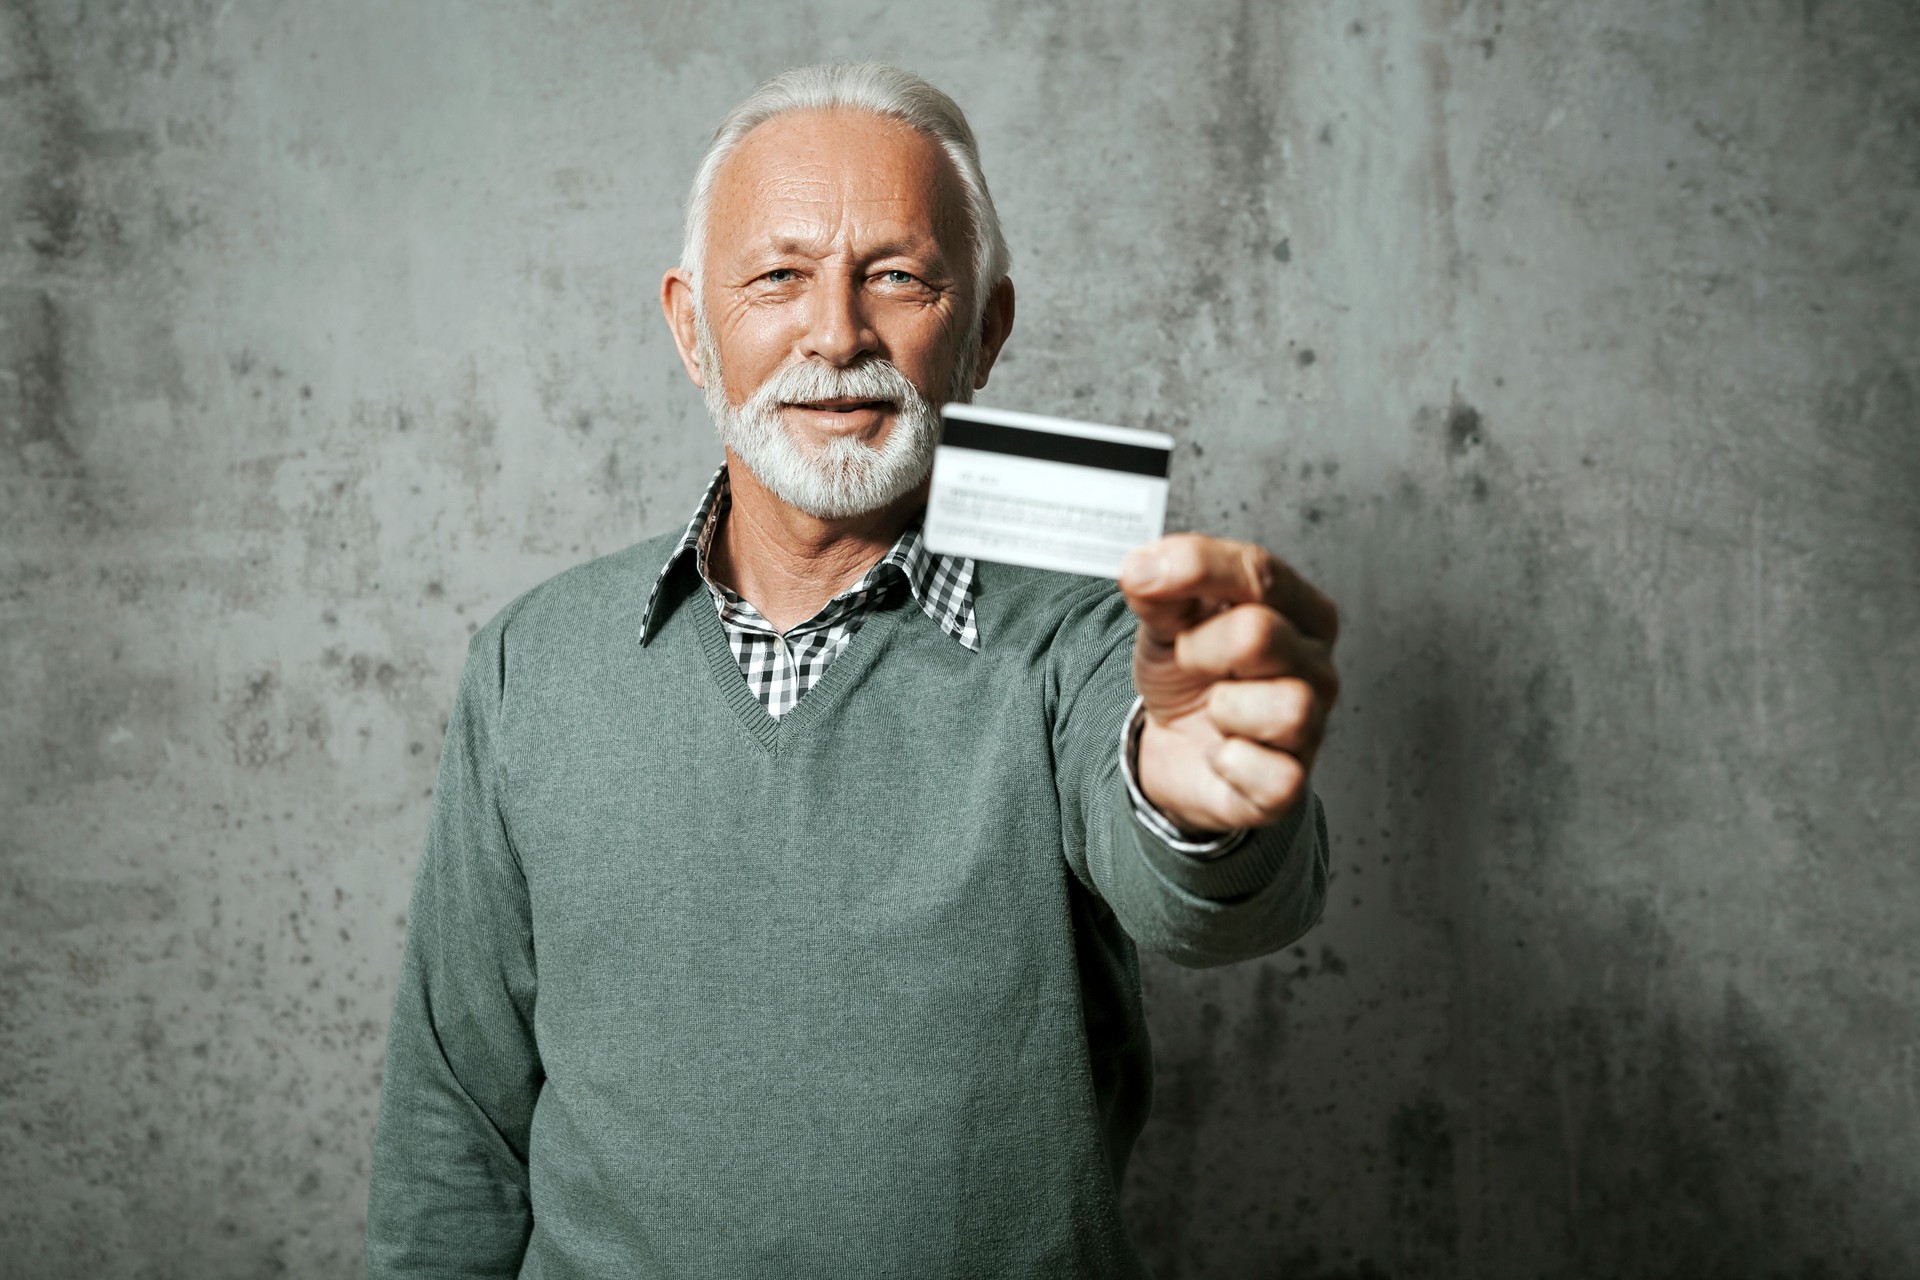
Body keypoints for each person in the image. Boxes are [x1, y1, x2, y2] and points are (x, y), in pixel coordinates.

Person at [365, 61, 1341, 1279]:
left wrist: (1195, 802)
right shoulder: (531, 661)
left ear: (982, 331)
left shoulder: (1084, 636)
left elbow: (1204, 891)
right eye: (778, 277)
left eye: (898, 277)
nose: (836, 333)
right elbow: (453, 1125)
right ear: (689, 327)